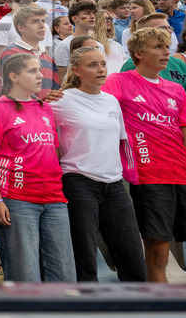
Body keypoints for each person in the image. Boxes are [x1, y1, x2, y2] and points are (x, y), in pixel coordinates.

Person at [103, 27, 186, 282]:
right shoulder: (118, 81)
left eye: (167, 47)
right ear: (138, 53)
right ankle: (161, 316)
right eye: (158, 47)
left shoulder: (175, 89)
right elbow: (93, 105)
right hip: (149, 179)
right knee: (158, 256)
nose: (166, 53)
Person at [51, 45, 146, 282]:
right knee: (84, 254)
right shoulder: (63, 100)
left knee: (132, 255)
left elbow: (121, 143)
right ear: (76, 71)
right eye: (92, 65)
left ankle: (140, 310)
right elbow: (33, 120)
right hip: (78, 181)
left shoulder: (111, 101)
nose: (101, 69)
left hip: (114, 183)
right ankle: (87, 309)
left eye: (102, 64)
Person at [0, 53, 74, 282]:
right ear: (14, 76)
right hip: (17, 200)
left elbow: (53, 152)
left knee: (64, 276)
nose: (40, 76)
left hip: (55, 200)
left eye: (39, 70)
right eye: (32, 71)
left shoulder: (45, 108)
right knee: (26, 277)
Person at [0, 5, 60, 97]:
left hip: (46, 110)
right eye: (35, 21)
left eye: (43, 21)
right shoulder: (11, 53)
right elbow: (11, 89)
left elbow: (56, 92)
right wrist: (41, 104)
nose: (42, 25)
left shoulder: (48, 59)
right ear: (21, 28)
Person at [54, 1, 97, 82]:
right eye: (87, 13)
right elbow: (61, 76)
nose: (92, 17)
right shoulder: (64, 45)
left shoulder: (99, 45)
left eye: (93, 13)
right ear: (75, 18)